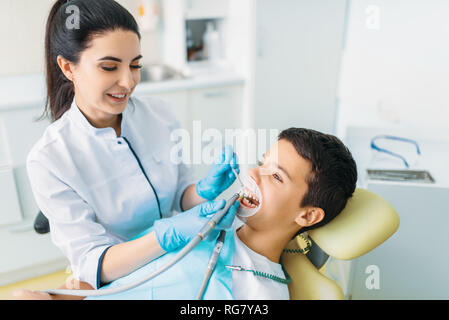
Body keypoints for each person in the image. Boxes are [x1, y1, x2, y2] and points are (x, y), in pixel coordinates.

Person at [18, 0, 240, 296]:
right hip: (119, 276)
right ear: (68, 67)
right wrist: (164, 237)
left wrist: (203, 192)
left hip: (179, 257)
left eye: (135, 65)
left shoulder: (160, 115)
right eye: (110, 66)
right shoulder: (49, 160)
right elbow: (93, 263)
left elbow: (180, 197)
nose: (128, 81)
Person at [14, 128, 357, 300]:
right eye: (262, 162)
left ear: (308, 216)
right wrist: (57, 295)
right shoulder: (197, 229)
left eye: (277, 176)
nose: (253, 174)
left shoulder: (258, 292)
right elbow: (107, 281)